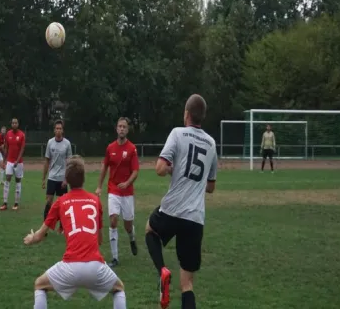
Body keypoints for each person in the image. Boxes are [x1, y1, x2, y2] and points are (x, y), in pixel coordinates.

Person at [23, 155, 127, 309]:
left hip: (70, 265)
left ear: (66, 180)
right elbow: (99, 240)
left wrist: (32, 238)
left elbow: (40, 235)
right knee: (119, 289)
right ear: (84, 178)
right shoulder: (95, 201)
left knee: (39, 285)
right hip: (95, 266)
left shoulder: (60, 202)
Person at [144, 94, 218, 309]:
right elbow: (211, 187)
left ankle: (162, 272)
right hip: (195, 217)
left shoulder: (177, 133)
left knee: (150, 230)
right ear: (202, 117)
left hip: (172, 209)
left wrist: (171, 169)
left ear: (186, 114)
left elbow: (159, 169)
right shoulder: (212, 143)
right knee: (187, 283)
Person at [95, 117, 139, 268]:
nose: (121, 129)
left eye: (124, 127)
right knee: (113, 220)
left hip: (127, 192)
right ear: (116, 129)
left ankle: (132, 238)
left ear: (127, 130)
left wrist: (127, 183)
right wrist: (99, 186)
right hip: (113, 190)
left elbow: (135, 171)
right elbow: (104, 167)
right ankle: (115, 258)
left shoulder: (132, 149)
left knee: (128, 225)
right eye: (119, 126)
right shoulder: (110, 148)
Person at [42, 120, 73, 234]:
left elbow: (69, 162)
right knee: (49, 202)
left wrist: (66, 179)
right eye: (57, 128)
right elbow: (47, 161)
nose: (58, 130)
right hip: (52, 177)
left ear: (63, 130)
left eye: (60, 128)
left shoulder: (67, 144)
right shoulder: (50, 143)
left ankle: (62, 227)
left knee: (63, 204)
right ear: (54, 130)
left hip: (62, 179)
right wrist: (44, 179)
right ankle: (44, 228)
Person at [0, 118, 25, 211]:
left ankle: (16, 203)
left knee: (18, 181)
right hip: (9, 161)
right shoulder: (8, 134)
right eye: (13, 123)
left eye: (16, 123)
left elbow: (22, 149)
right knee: (7, 180)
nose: (14, 124)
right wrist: (4, 160)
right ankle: (5, 203)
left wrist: (17, 161)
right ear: (11, 124)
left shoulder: (22, 135)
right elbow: (6, 148)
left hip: (19, 163)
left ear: (18, 124)